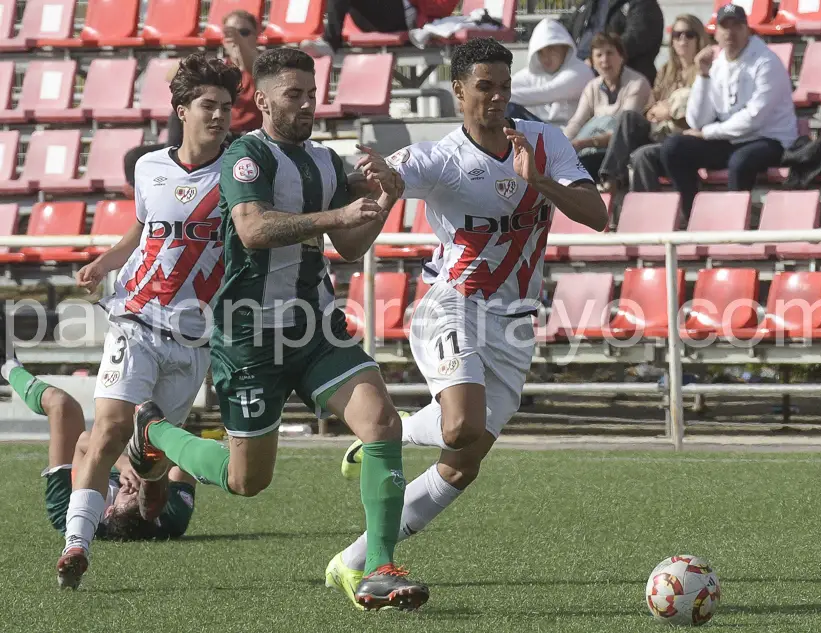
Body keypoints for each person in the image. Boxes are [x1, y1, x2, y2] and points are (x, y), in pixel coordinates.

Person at [124, 47, 429, 611]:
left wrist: (385, 199)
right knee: (247, 482)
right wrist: (337, 215)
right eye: (295, 94)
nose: (308, 103)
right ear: (262, 100)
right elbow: (254, 228)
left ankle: (378, 567)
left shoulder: (325, 161)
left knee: (381, 422)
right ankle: (154, 434)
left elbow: (351, 244)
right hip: (249, 340)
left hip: (316, 329)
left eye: (313, 93)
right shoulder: (246, 155)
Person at [324, 37, 608, 596]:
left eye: (505, 86)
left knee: (462, 464)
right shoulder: (440, 158)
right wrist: (378, 182)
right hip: (450, 304)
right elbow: (375, 183)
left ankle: (353, 558)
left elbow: (597, 214)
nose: (498, 97)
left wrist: (539, 181)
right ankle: (389, 437)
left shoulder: (545, 143)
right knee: (459, 426)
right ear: (459, 91)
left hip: (515, 323)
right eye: (485, 87)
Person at [56, 53, 240, 590]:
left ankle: (152, 477)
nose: (220, 115)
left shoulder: (240, 173)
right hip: (135, 317)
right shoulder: (149, 166)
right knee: (109, 428)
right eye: (209, 105)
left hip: (193, 335)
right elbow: (142, 230)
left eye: (227, 106)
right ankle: (77, 544)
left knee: (155, 454)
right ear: (182, 110)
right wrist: (102, 262)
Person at [0, 321, 196, 554]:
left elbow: (83, 442)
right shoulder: (172, 517)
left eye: (128, 494)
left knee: (62, 406)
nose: (134, 488)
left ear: (109, 511)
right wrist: (151, 472)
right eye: (140, 493)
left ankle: (7, 365)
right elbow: (186, 456)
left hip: (70, 492)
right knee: (159, 424)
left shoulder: (74, 512)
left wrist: (124, 463)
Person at [659, 3, 797, 217]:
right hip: (729, 140)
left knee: (740, 162)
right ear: (717, 32)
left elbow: (754, 119)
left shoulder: (766, 62)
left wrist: (707, 133)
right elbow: (696, 120)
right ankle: (694, 218)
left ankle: (734, 228)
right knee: (673, 148)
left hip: (769, 140)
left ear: (747, 30)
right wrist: (703, 76)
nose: (730, 32)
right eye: (725, 26)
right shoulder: (716, 63)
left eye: (736, 26)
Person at [123, 13, 261, 188]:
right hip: (208, 135)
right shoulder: (217, 70)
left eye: (243, 32)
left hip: (241, 138)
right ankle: (169, 172)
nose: (235, 39)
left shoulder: (263, 67)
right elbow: (171, 75)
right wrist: (197, 65)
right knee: (134, 157)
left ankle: (174, 172)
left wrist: (240, 47)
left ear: (256, 35)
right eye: (229, 34)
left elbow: (253, 66)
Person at [597, 14, 710, 195]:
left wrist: (670, 110)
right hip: (659, 130)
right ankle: (609, 177)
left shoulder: (704, 69)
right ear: (671, 41)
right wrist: (659, 109)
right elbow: (649, 108)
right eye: (677, 35)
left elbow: (699, 110)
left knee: (642, 155)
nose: (682, 40)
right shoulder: (666, 70)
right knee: (628, 118)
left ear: (699, 38)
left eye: (689, 34)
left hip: (683, 135)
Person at [562, 32, 652, 180]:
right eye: (599, 55)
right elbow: (577, 121)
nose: (605, 60)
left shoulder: (637, 83)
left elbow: (623, 132)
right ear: (592, 61)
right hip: (594, 147)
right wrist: (562, 145)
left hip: (624, 150)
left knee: (581, 167)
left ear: (622, 57)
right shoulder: (592, 87)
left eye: (610, 53)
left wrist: (582, 143)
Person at [507, 17, 594, 124]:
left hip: (567, 133)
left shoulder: (580, 72)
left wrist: (500, 95)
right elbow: (507, 85)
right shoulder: (531, 74)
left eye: (551, 50)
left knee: (508, 107)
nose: (546, 57)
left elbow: (547, 92)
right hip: (539, 132)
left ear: (564, 47)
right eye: (540, 52)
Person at [301, 0, 460, 57]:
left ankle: (330, 42)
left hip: (405, 17)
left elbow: (441, 7)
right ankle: (329, 41)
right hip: (374, 17)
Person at [567, 0, 664, 84]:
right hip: (579, 67)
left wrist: (595, 59)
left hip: (620, 78)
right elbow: (568, 28)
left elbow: (636, 37)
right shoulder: (589, 4)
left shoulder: (642, 3)